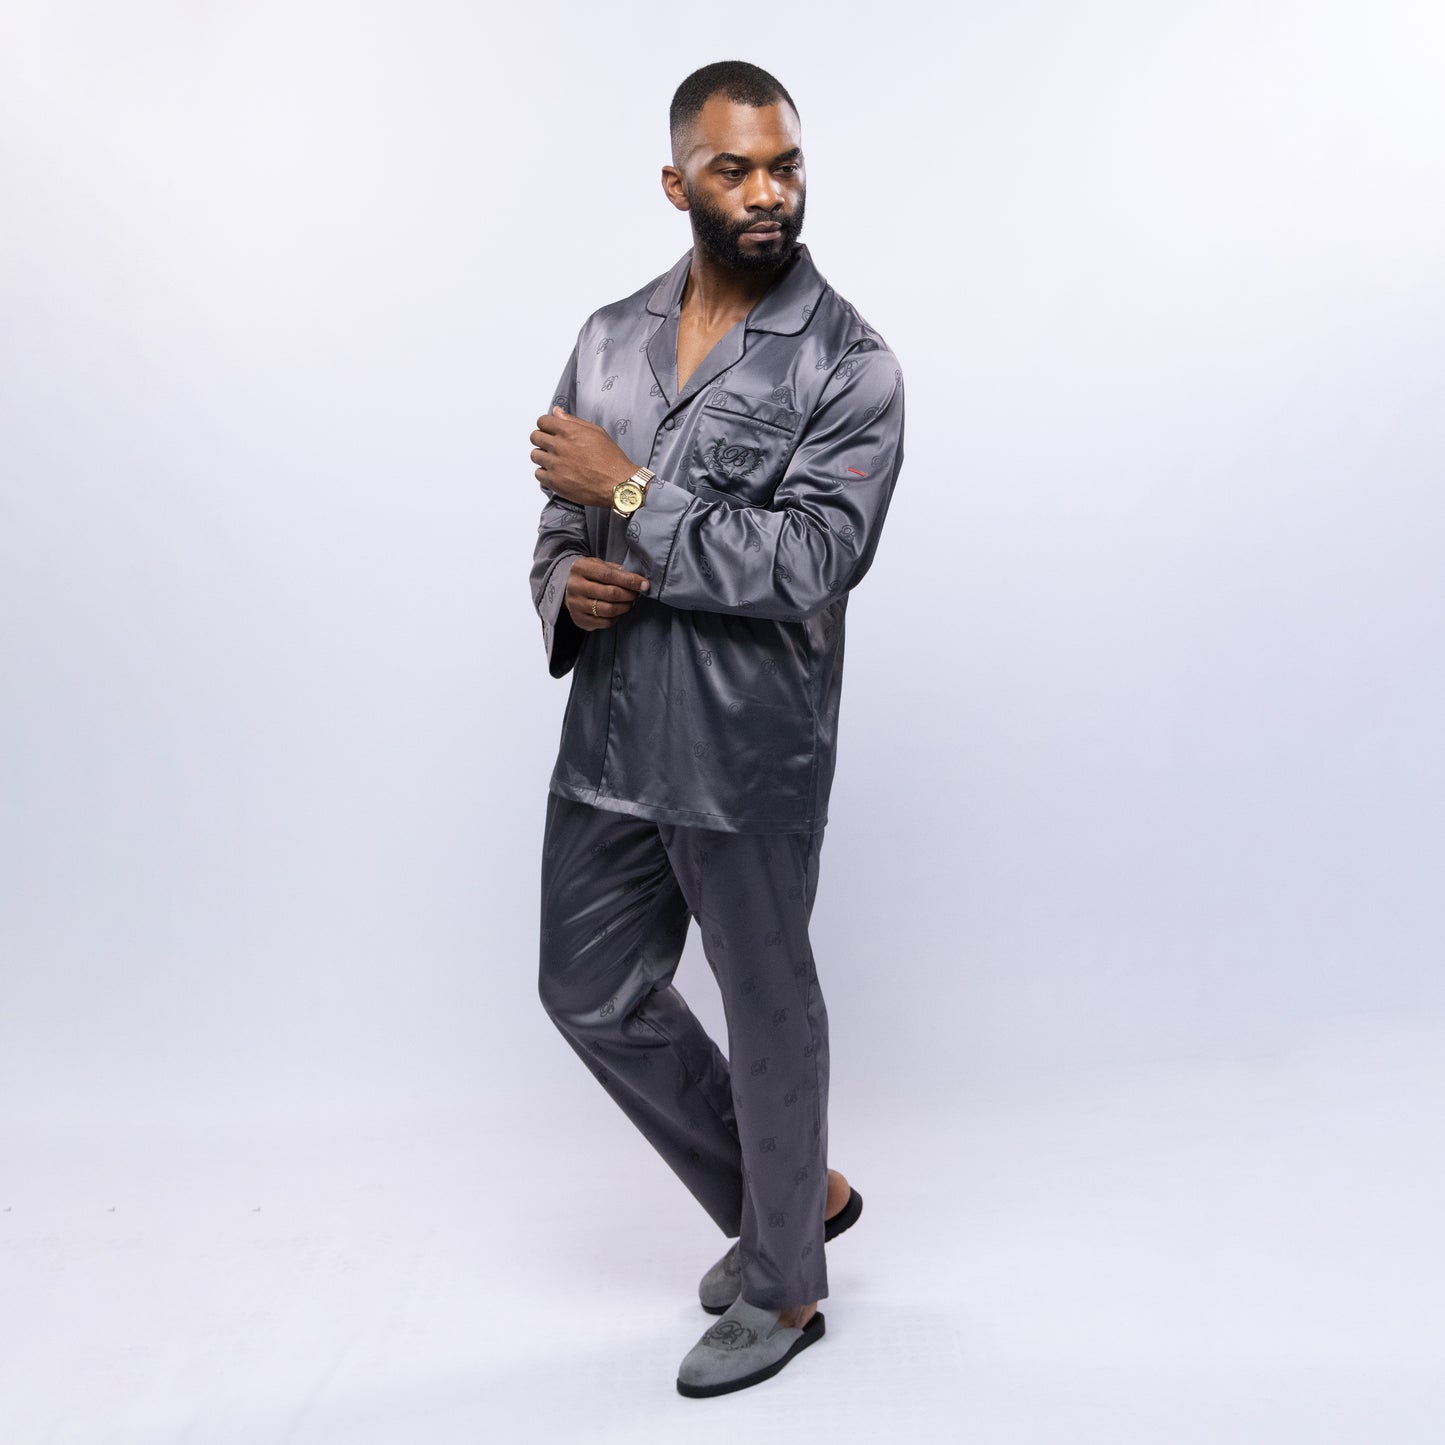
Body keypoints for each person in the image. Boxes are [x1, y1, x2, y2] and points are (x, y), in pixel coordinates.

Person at [527, 59, 904, 1398]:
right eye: (734, 168)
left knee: (765, 1007)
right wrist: (566, 585)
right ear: (676, 180)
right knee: (585, 989)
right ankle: (789, 1196)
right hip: (610, 739)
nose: (766, 192)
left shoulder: (849, 363)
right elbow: (560, 520)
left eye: (784, 165)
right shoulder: (608, 339)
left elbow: (808, 562)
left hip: (746, 751)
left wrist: (631, 492)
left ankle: (786, 1282)